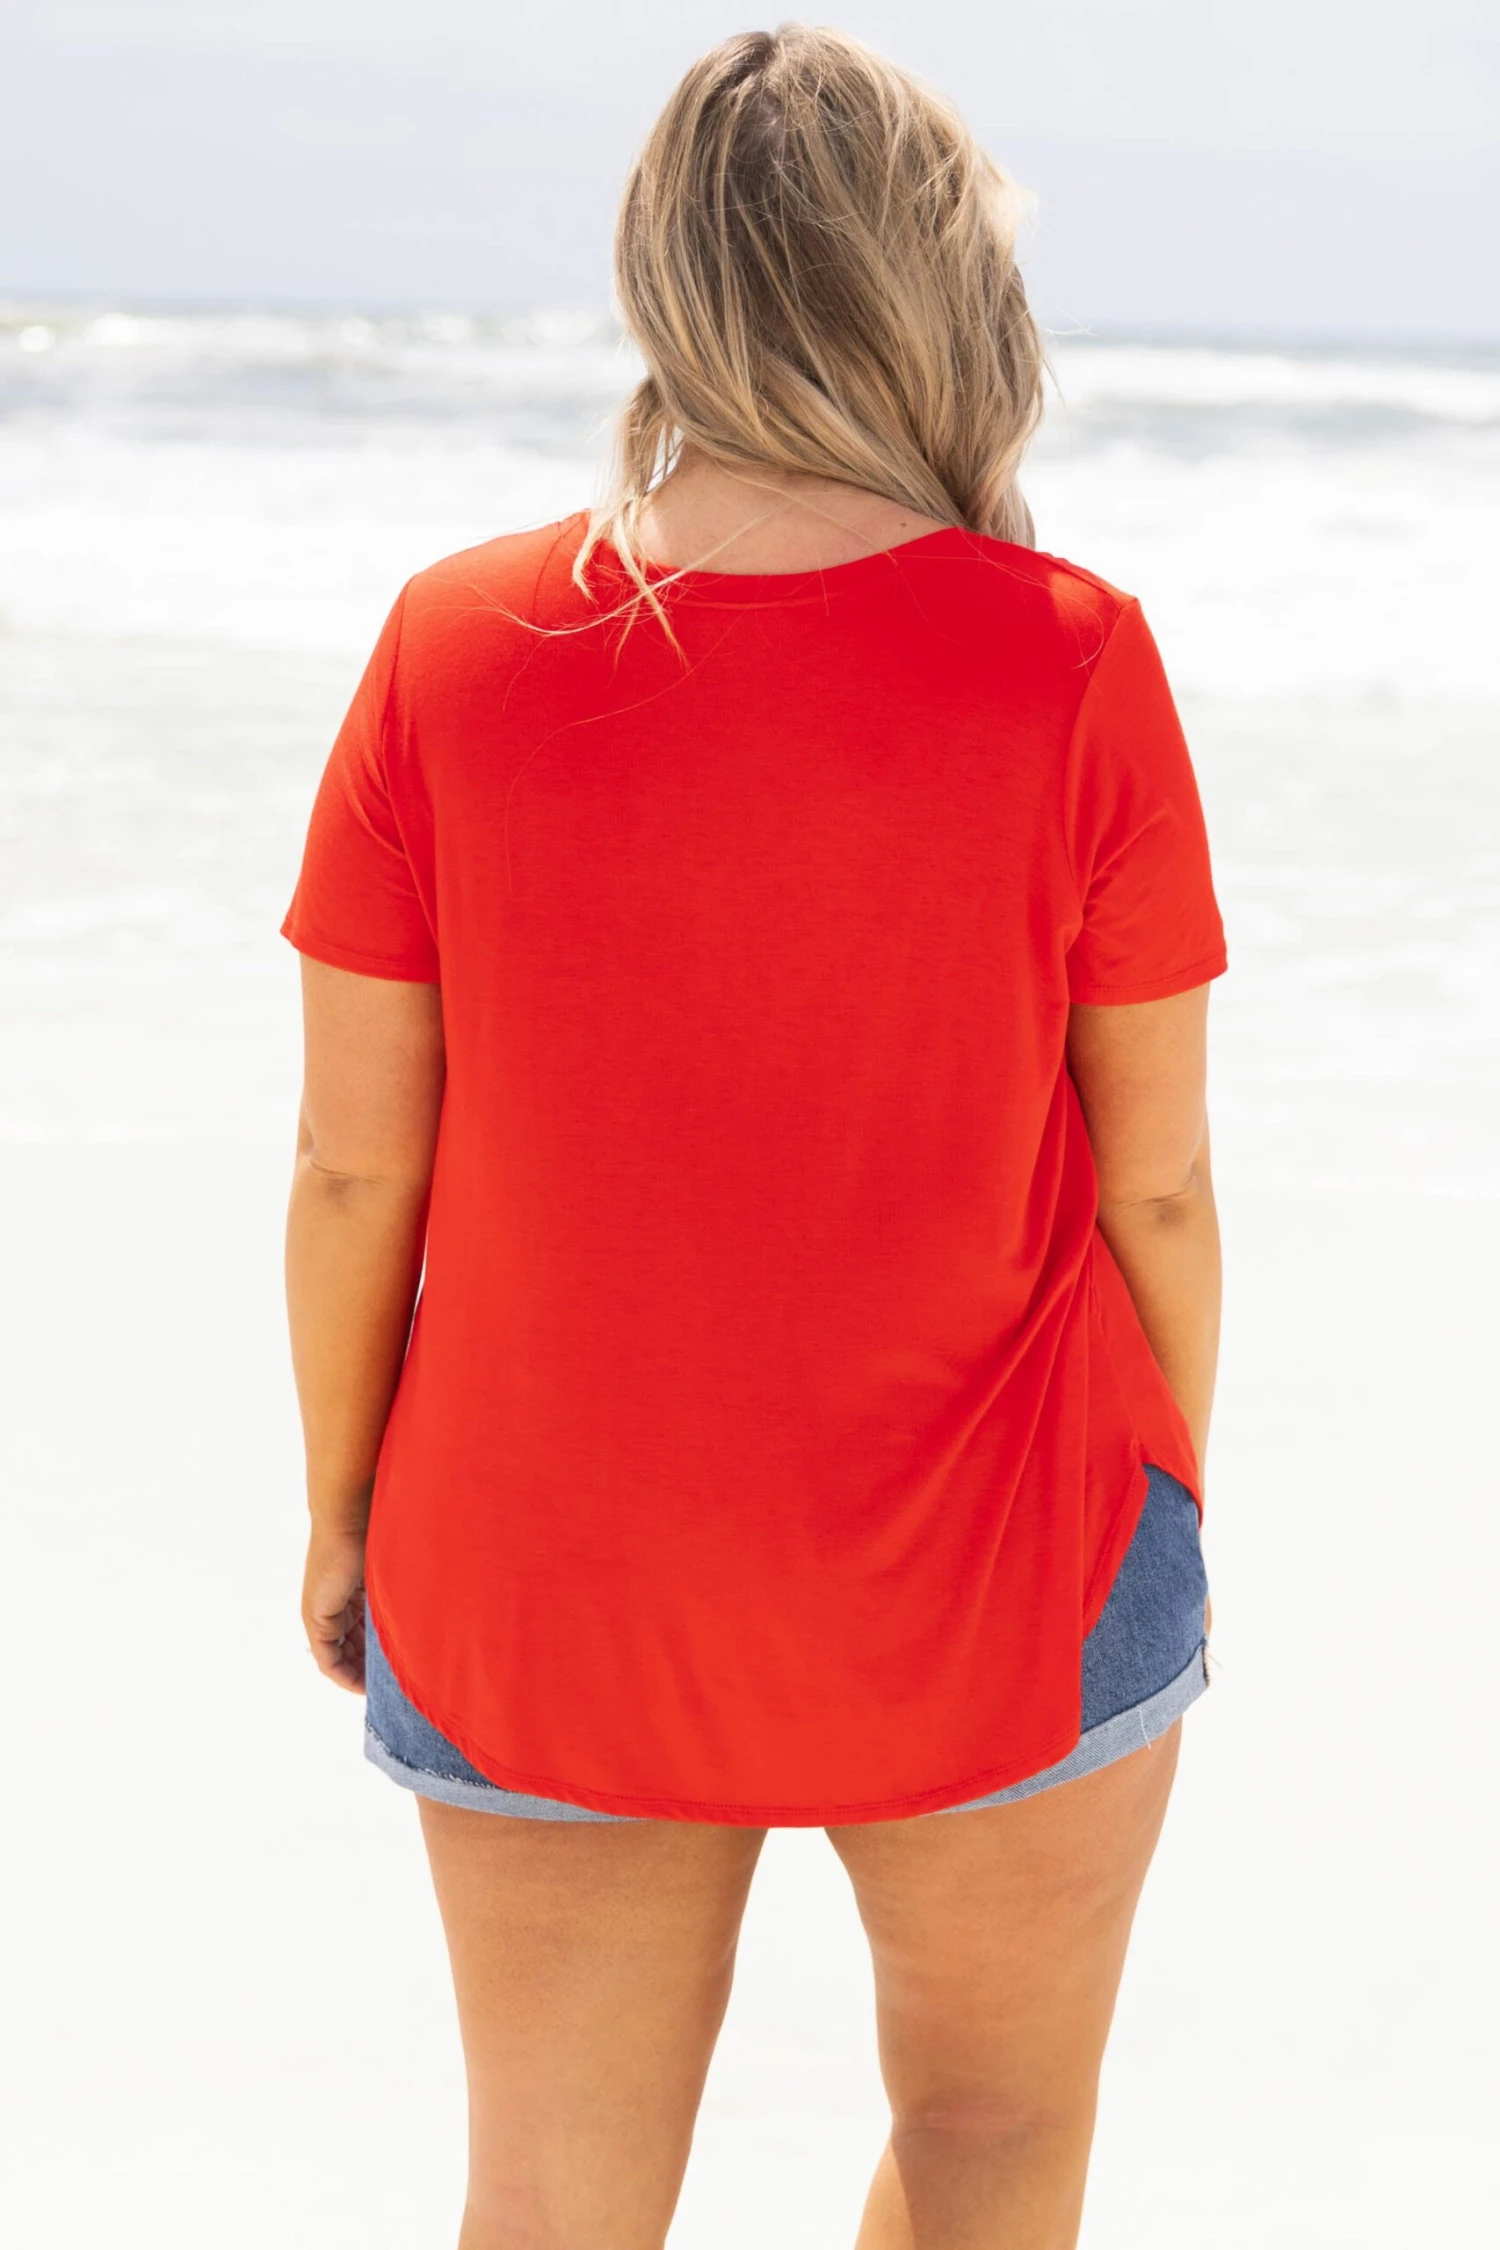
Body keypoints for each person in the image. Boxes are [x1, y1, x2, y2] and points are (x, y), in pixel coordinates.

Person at [283, 24, 1225, 2250]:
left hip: (542, 1568)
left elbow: (352, 1169)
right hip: (1005, 1550)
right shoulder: (1072, 658)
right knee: (992, 2141)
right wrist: (1163, 1484)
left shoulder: (452, 645)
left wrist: (343, 1512)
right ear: (946, 289)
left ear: (663, 277)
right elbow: (1160, 1179)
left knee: (554, 2198)